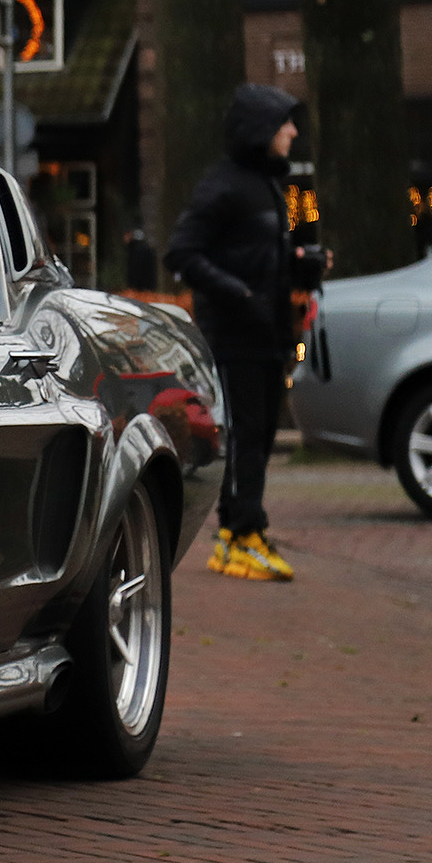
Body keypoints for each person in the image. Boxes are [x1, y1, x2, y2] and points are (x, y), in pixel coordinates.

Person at [167, 84, 311, 582]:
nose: (292, 131)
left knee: (261, 436)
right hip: (234, 337)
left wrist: (298, 264)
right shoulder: (223, 185)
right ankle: (234, 538)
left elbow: (254, 252)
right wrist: (240, 295)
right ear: (259, 130)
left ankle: (248, 530)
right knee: (243, 437)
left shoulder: (268, 185)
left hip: (267, 337)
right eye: (283, 123)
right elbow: (182, 252)